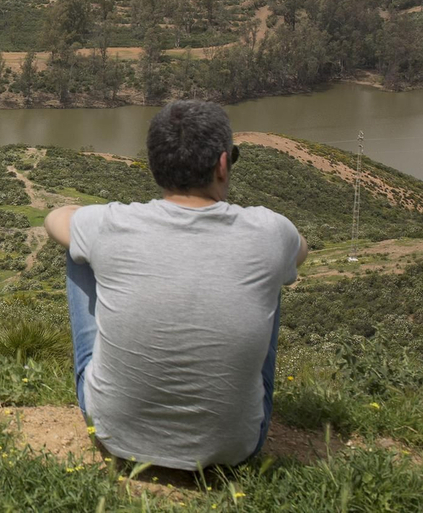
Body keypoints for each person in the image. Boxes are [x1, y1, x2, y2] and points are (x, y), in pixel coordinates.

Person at [43, 100, 308, 469]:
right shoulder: (271, 231)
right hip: (235, 446)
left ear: (155, 166)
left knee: (78, 247)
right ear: (222, 164)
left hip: (115, 435)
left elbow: (54, 218)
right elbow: (301, 251)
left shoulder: (110, 224)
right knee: (275, 268)